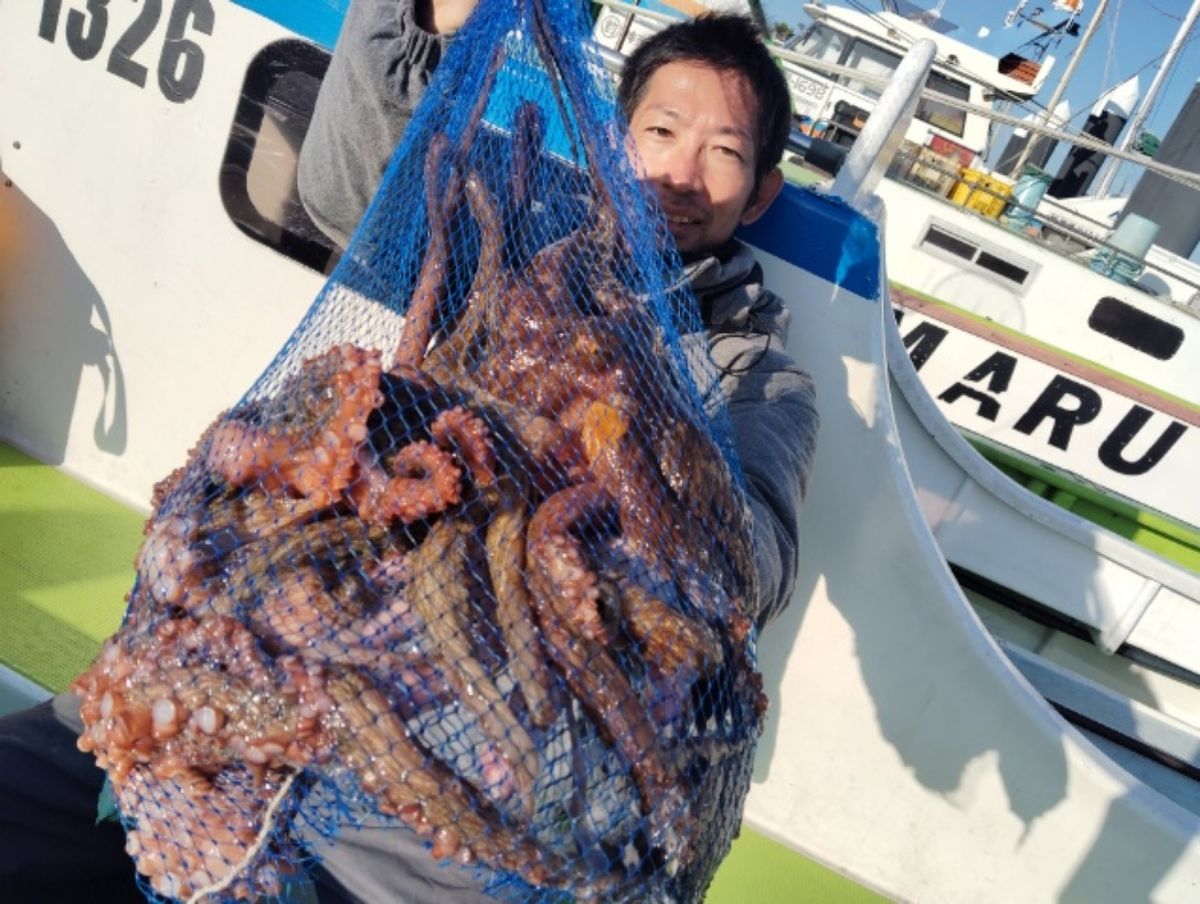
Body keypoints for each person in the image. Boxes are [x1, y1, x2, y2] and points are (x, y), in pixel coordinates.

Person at [0, 3, 817, 902]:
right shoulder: (520, 241)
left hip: (466, 763)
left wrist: (637, 414)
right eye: (661, 132)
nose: (680, 174)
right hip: (264, 648)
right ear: (616, 139)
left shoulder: (756, 375)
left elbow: (752, 562)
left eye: (724, 153)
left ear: (760, 191)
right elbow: (349, 190)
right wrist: (431, 16)